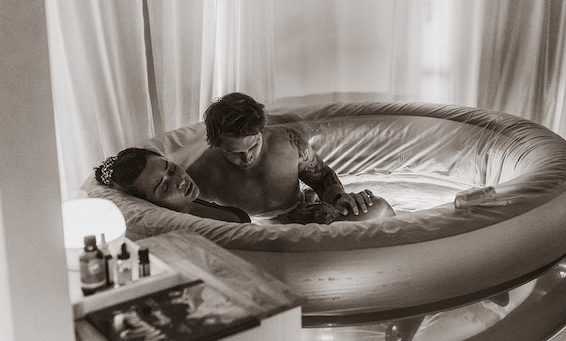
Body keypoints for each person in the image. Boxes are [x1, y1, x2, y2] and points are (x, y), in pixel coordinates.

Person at [187, 92, 394, 224]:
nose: (247, 157)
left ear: (262, 130)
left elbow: (321, 177)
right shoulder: (204, 170)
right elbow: (184, 214)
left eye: (253, 145)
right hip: (250, 232)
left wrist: (340, 198)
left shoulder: (288, 143)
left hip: (301, 213)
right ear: (216, 144)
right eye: (234, 153)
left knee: (378, 207)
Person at [94, 148, 252, 223]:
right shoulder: (189, 229)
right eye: (164, 187)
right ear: (149, 203)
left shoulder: (189, 201)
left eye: (172, 169)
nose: (180, 180)